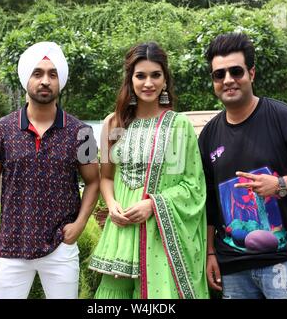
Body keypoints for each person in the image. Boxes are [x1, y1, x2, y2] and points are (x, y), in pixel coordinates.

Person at [198, 32, 287, 299]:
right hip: (233, 267)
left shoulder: (285, 119)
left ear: (251, 73)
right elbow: (210, 200)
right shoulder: (210, 135)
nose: (228, 80)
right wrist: (210, 253)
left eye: (236, 71)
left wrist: (281, 184)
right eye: (219, 74)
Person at [0, 41, 100, 299]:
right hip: (12, 246)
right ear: (26, 79)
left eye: (52, 74)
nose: (45, 81)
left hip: (61, 248)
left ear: (60, 81)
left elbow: (94, 182)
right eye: (37, 73)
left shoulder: (82, 133)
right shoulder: (0, 131)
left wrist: (80, 224)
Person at [88, 42, 209, 299]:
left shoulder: (179, 126)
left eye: (156, 75)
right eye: (140, 75)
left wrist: (153, 205)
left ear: (165, 80)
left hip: (160, 233)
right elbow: (106, 176)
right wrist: (111, 206)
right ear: (130, 79)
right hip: (121, 230)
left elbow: (193, 186)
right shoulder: (114, 122)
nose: (148, 83)